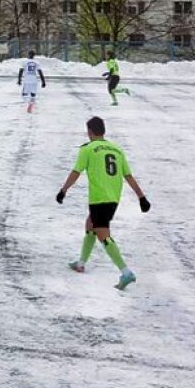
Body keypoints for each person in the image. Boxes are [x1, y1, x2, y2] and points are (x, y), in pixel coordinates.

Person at [57, 116, 150, 290]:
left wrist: (63, 190)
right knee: (90, 224)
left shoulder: (88, 149)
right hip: (113, 197)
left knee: (103, 235)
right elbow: (128, 176)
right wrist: (141, 197)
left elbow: (76, 172)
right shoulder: (117, 149)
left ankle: (125, 271)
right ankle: (81, 263)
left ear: (90, 132)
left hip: (99, 198)